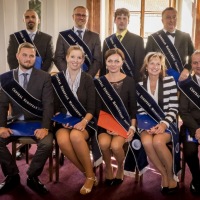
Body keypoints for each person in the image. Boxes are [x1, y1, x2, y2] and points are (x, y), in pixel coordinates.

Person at [0, 42, 54, 195]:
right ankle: (12, 175)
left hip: (37, 122)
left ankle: (32, 176)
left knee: (47, 143)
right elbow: (2, 104)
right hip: (16, 122)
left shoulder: (44, 77)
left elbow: (48, 104)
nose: (28, 58)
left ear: (35, 58)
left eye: (31, 56)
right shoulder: (7, 78)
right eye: (24, 55)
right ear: (17, 56)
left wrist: (45, 127)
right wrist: (1, 126)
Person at [52, 45, 101, 195]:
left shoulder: (88, 79)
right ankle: (89, 174)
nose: (75, 60)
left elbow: (91, 109)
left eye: (79, 57)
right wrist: (61, 120)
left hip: (84, 121)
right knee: (62, 140)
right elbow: (54, 106)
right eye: (72, 56)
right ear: (66, 58)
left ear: (83, 60)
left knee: (75, 136)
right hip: (64, 122)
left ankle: (89, 176)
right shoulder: (57, 79)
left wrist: (83, 122)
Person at [137, 52, 179, 194]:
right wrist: (146, 126)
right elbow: (140, 110)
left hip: (167, 123)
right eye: (152, 63)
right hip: (147, 125)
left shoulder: (170, 81)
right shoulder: (140, 85)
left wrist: (163, 124)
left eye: (158, 64)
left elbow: (173, 108)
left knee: (158, 142)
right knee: (147, 142)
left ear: (161, 67)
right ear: (146, 66)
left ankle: (171, 174)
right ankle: (163, 173)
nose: (155, 66)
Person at [95, 48, 137, 186]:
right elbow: (97, 109)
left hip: (123, 124)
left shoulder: (130, 81)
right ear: (106, 63)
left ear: (122, 63)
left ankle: (119, 167)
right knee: (104, 143)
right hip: (104, 124)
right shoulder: (99, 82)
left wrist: (131, 126)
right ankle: (108, 168)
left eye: (116, 61)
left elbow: (133, 109)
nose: (113, 64)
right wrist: (107, 126)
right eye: (110, 61)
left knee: (116, 146)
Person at [145, 7, 195, 82]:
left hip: (183, 78)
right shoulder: (153, 38)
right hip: (161, 79)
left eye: (174, 17)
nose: (171, 20)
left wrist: (187, 70)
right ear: (162, 20)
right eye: (168, 17)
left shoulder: (186, 36)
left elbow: (193, 57)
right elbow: (147, 60)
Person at [54, 6, 101, 77]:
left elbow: (98, 60)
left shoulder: (95, 37)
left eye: (84, 15)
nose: (81, 18)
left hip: (88, 78)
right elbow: (58, 58)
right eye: (78, 15)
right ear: (73, 17)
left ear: (87, 18)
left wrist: (87, 77)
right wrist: (69, 74)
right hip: (67, 77)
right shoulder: (63, 36)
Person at [100, 8, 145, 82]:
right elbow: (103, 66)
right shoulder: (107, 41)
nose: (121, 21)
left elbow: (139, 65)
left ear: (128, 21)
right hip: (111, 82)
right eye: (119, 18)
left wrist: (137, 83)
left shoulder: (138, 40)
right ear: (115, 20)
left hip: (130, 81)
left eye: (124, 18)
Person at [179, 50, 200, 195]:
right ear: (191, 65)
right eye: (195, 62)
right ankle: (197, 179)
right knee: (190, 151)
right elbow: (183, 111)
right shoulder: (186, 84)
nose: (198, 65)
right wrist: (197, 129)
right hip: (191, 126)